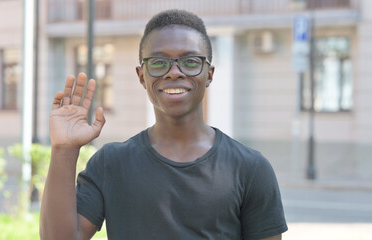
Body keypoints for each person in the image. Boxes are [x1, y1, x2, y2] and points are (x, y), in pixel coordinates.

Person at [40, 9, 287, 240]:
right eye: (159, 63)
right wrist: (64, 150)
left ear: (209, 74)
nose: (174, 72)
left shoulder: (250, 168)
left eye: (190, 61)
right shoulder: (110, 164)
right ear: (142, 76)